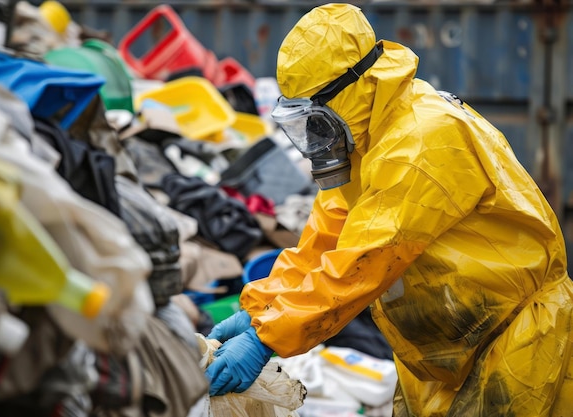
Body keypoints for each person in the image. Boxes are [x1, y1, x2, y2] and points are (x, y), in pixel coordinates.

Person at [204, 3, 573, 415]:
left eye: (315, 119)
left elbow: (361, 262)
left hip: (513, 342)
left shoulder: (420, 140)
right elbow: (324, 243)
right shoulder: (364, 142)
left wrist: (266, 339)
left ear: (352, 90)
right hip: (440, 353)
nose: (311, 135)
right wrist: (259, 311)